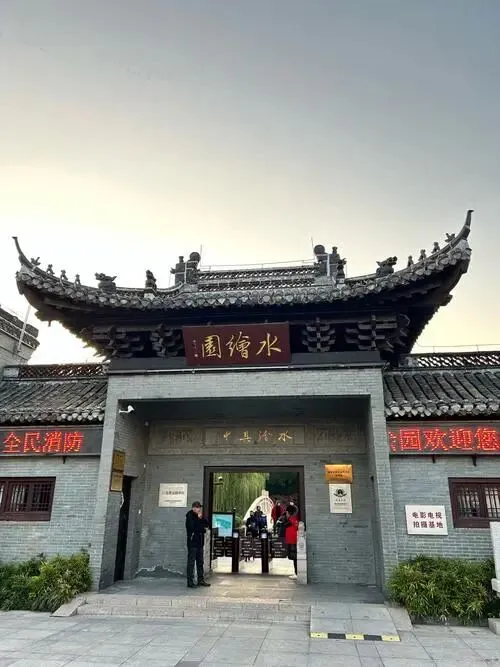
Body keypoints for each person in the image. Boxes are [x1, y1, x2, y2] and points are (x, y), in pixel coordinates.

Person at [185, 501, 211, 588]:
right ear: (193, 508)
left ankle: (200, 580)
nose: (199, 509)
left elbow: (207, 525)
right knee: (191, 563)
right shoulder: (189, 516)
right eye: (197, 507)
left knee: (200, 562)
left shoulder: (199, 516)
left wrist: (201, 519)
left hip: (200, 543)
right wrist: (199, 522)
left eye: (199, 507)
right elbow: (193, 528)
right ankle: (190, 582)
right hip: (192, 543)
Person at [284, 504, 299, 580]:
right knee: (295, 558)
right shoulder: (294, 519)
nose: (286, 514)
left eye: (286, 512)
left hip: (292, 541)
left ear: (289, 512)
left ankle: (297, 573)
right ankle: (296, 573)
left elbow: (284, 525)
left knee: (295, 558)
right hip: (293, 541)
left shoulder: (291, 520)